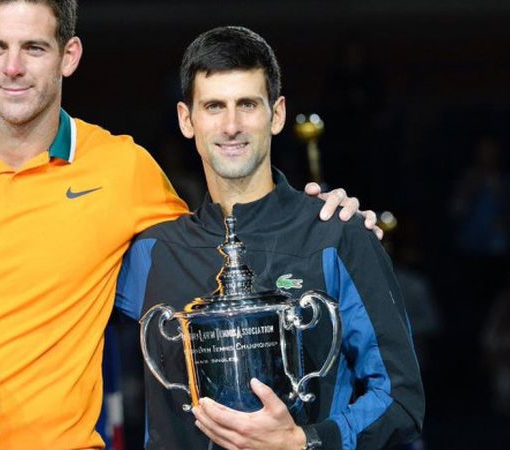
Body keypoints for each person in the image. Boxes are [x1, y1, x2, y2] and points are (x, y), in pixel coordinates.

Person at [0, 2, 373, 449]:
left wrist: (325, 221)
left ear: (69, 55)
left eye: (34, 47)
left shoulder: (122, 169)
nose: (13, 67)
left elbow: (228, 255)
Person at [115, 27, 424, 450]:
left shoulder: (338, 235)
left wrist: (306, 442)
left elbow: (400, 401)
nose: (231, 125)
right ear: (187, 120)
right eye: (213, 106)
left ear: (276, 114)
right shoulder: (151, 253)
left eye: (247, 104)